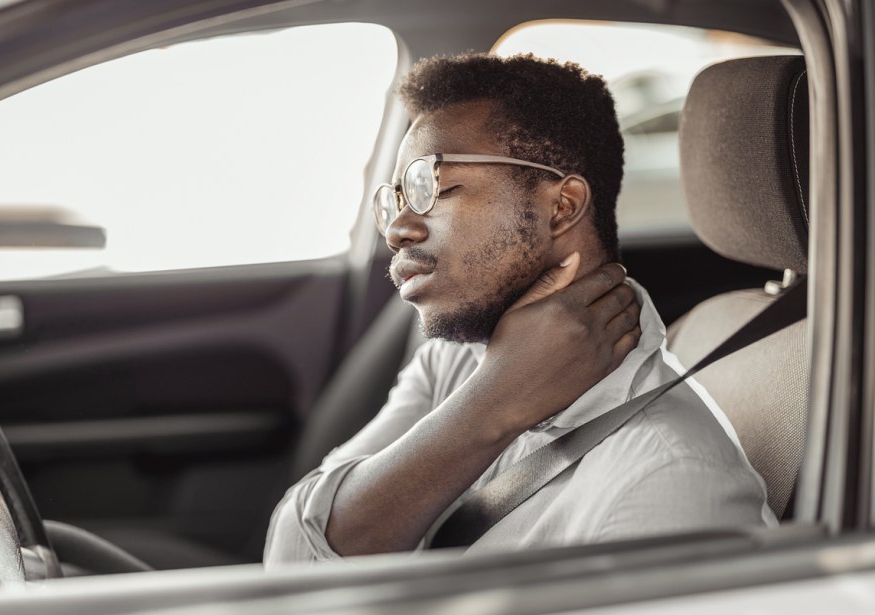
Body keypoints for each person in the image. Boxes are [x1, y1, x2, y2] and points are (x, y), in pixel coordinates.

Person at [264, 53, 774, 565]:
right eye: (394, 199)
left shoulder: (669, 481)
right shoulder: (455, 360)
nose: (398, 229)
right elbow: (292, 554)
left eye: (430, 188)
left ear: (563, 205)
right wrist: (496, 398)